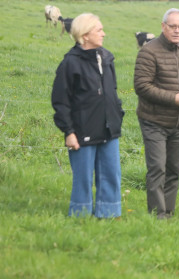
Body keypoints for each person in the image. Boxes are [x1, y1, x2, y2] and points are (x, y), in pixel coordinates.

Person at [51, 13, 124, 218]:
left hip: (109, 127)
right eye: (99, 30)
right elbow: (60, 101)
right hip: (81, 130)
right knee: (83, 177)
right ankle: (80, 215)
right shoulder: (70, 63)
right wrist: (69, 132)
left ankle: (109, 213)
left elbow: (113, 91)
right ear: (85, 34)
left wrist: (117, 114)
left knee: (111, 173)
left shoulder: (107, 58)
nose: (104, 33)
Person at [134, 8, 179, 219]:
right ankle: (157, 215)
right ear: (163, 26)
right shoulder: (149, 51)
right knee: (157, 169)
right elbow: (142, 86)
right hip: (154, 121)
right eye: (173, 26)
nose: (177, 30)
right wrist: (174, 99)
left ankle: (168, 211)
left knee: (173, 170)